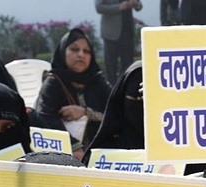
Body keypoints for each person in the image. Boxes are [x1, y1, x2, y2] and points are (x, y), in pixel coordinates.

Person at [35, 28, 111, 159]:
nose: (81, 55)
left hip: (100, 153)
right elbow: (44, 118)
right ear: (63, 52)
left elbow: (115, 113)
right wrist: (74, 146)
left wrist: (86, 112)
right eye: (74, 49)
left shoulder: (98, 81)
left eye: (86, 51)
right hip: (64, 154)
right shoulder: (53, 83)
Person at [84, 60, 143, 159]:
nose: (139, 104)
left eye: (144, 101)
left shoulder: (173, 151)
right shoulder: (103, 154)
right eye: (134, 97)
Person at [95, 0, 143, 85]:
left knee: (128, 66)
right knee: (111, 67)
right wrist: (119, 7)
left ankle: (127, 91)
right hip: (111, 33)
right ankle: (111, 92)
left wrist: (136, 4)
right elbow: (99, 8)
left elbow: (140, 6)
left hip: (128, 31)